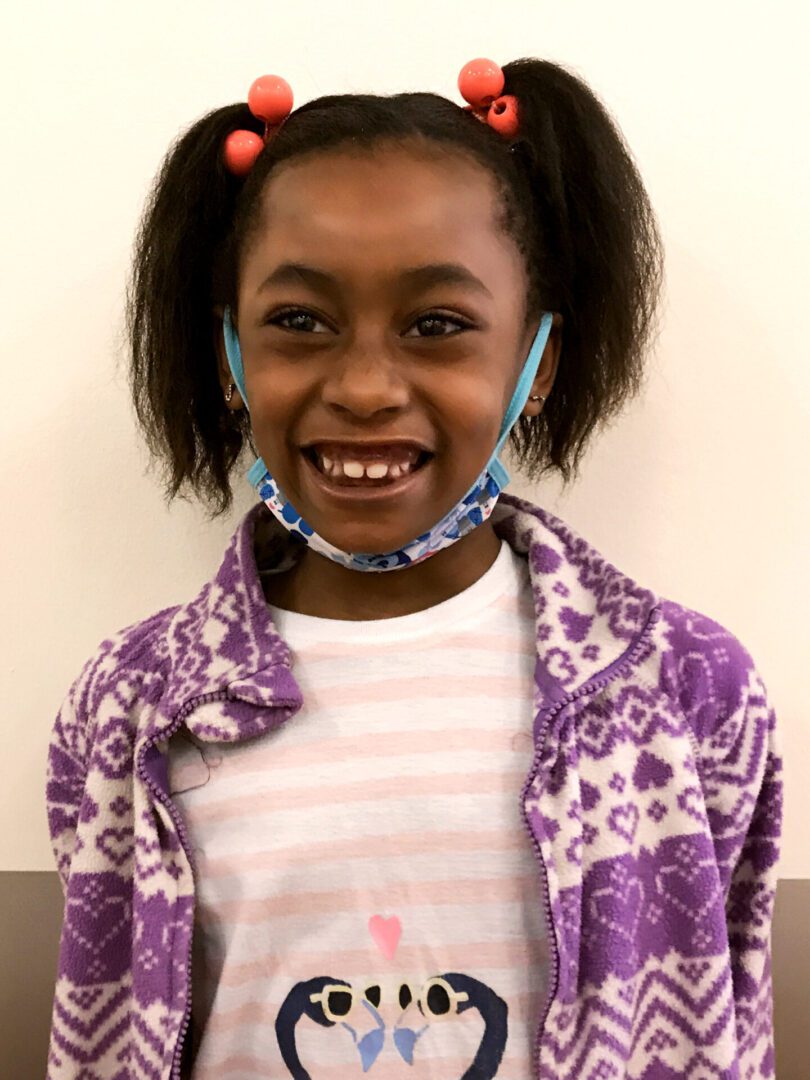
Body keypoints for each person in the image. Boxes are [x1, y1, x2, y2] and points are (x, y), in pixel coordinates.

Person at [44, 57, 783, 1080]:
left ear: (539, 363)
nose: (363, 386)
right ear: (229, 358)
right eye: (299, 322)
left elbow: (731, 1021)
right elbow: (103, 1029)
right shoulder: (130, 709)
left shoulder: (688, 691)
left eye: (438, 326)